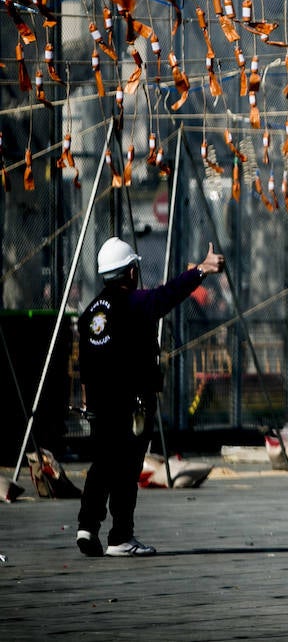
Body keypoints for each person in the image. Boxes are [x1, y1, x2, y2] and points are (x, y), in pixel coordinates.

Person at [75, 237, 225, 557]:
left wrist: (88, 403)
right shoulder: (134, 303)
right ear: (130, 272)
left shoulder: (91, 313)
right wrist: (201, 270)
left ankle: (87, 526)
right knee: (127, 470)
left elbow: (84, 366)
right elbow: (166, 296)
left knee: (101, 464)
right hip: (131, 404)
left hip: (100, 404)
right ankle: (120, 537)